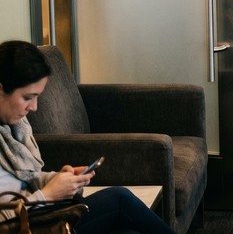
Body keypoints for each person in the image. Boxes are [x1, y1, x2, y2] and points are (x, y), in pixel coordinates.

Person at [0, 41, 175, 234]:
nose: (34, 108)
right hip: (29, 226)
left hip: (43, 215)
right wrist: (49, 194)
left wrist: (58, 179)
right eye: (27, 97)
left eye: (37, 97)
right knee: (119, 198)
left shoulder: (14, 129)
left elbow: (24, 179)